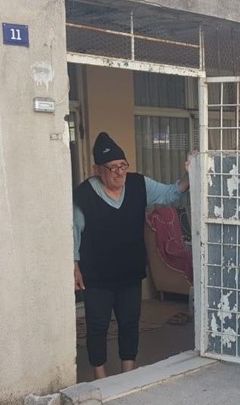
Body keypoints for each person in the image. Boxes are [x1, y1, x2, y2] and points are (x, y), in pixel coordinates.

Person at [73, 132, 190, 380]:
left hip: (129, 271)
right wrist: (75, 265)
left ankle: (127, 375)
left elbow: (171, 193)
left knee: (129, 322)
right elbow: (74, 232)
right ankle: (101, 378)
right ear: (97, 170)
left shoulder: (139, 185)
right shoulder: (84, 195)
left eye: (123, 166)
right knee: (97, 325)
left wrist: (191, 173)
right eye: (112, 167)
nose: (119, 173)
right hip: (97, 274)